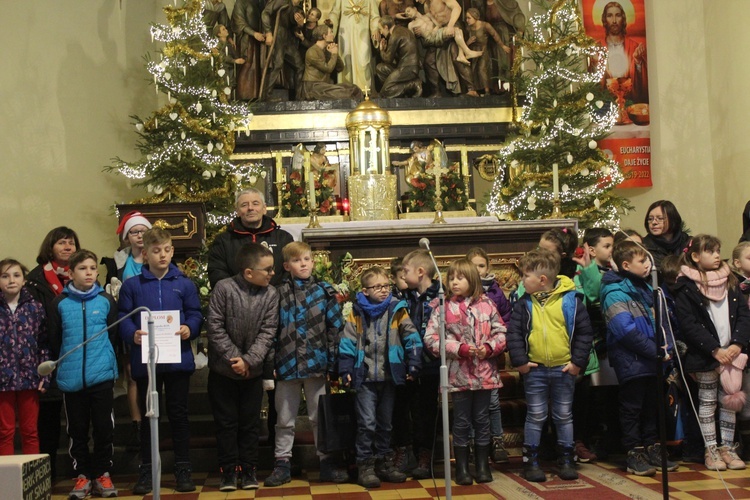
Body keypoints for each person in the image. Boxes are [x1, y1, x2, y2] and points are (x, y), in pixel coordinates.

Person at [118, 228, 204, 494]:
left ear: (172, 251)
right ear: (145, 254)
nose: (163, 255)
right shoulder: (133, 285)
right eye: (156, 251)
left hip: (177, 359)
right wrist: (132, 333)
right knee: (148, 416)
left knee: (178, 414)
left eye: (167, 250)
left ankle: (182, 468)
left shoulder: (183, 282)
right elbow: (124, 316)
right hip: (147, 362)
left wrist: (190, 328)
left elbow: (195, 313)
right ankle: (147, 469)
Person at [263, 242, 349, 486]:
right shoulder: (277, 293)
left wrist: (333, 362)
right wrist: (270, 363)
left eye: (307, 259)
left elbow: (335, 328)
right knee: (284, 418)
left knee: (319, 416)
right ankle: (282, 464)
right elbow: (271, 330)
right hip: (286, 364)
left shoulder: (324, 292)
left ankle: (326, 462)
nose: (303, 264)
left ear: (313, 262)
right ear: (287, 266)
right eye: (298, 260)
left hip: (316, 364)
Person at [506, 249, 593, 482]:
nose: (522, 280)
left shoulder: (571, 301)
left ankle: (566, 458)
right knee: (535, 415)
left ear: (542, 280)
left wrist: (577, 363)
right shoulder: (524, 304)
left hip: (564, 369)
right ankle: (531, 460)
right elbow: (513, 334)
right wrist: (521, 363)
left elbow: (584, 333)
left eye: (526, 276)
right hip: (535, 370)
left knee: (564, 415)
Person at [423, 258, 506, 485]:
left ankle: (481, 465)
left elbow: (501, 332)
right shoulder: (442, 306)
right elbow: (431, 339)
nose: (454, 282)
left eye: (460, 278)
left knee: (482, 419)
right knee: (461, 421)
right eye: (451, 278)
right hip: (458, 373)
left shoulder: (487, 305)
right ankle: (461, 467)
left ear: (472, 281)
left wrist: (488, 348)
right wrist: (459, 348)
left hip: (484, 373)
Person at [339, 266, 422, 488]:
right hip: (365, 378)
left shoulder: (397, 309)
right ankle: (365, 465)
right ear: (365, 291)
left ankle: (385, 462)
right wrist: (345, 369)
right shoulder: (356, 312)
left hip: (389, 377)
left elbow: (412, 337)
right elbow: (346, 343)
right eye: (378, 287)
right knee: (367, 423)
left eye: (386, 286)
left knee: (386, 423)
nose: (384, 290)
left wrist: (413, 363)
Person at [600, 241, 678, 476]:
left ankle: (653, 446)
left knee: (652, 406)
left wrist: (668, 347)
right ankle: (634, 451)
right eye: (642, 261)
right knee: (632, 407)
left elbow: (664, 322)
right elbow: (624, 330)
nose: (648, 264)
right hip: (632, 358)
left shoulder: (649, 287)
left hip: (654, 359)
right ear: (626, 265)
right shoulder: (614, 292)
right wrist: (655, 350)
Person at [673, 234, 750, 471]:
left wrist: (736, 344)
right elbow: (689, 325)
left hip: (732, 353)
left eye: (718, 250)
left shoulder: (732, 281)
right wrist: (715, 350)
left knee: (729, 401)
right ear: (695, 256)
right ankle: (711, 449)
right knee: (707, 403)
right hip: (706, 356)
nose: (717, 255)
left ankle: (728, 447)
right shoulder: (685, 286)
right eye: (710, 251)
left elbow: (744, 316)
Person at [206, 243, 278, 491]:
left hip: (252, 371)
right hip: (223, 372)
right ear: (248, 272)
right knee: (226, 423)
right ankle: (228, 471)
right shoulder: (224, 288)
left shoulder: (271, 295)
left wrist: (249, 360)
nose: (272, 274)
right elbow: (214, 327)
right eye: (267, 269)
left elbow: (269, 332)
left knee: (249, 423)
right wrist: (236, 359)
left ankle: (249, 469)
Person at [49, 249, 119, 499]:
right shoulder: (60, 304)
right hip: (71, 377)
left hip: (101, 376)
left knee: (103, 428)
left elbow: (113, 337)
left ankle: (102, 473)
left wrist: (105, 364)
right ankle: (82, 476)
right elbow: (55, 340)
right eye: (83, 268)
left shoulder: (106, 301)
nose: (89, 272)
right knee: (77, 430)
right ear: (70, 273)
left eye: (92, 268)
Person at [25, 226, 80, 481]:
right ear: (51, 247)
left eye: (71, 243)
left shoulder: (84, 274)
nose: (68, 247)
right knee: (47, 422)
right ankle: (47, 474)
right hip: (49, 357)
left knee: (79, 421)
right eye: (62, 243)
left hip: (77, 356)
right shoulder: (37, 280)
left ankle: (82, 472)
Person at [102, 210, 152, 452]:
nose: (139, 235)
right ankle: (137, 424)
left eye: (143, 231)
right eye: (134, 231)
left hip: (155, 323)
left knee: (155, 375)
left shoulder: (157, 256)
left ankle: (154, 421)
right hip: (130, 324)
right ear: (127, 236)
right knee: (133, 375)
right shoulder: (118, 263)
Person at [571, 227, 614, 462]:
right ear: (590, 248)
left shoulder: (612, 269)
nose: (611, 250)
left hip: (605, 338)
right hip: (589, 338)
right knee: (585, 395)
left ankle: (600, 436)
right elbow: (593, 297)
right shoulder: (581, 271)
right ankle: (579, 439)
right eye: (606, 246)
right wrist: (588, 270)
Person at [398, 249, 441, 478]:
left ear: (421, 272)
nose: (403, 275)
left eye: (406, 271)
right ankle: (409, 453)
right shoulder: (407, 297)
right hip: (409, 365)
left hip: (431, 365)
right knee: (408, 409)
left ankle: (426, 455)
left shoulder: (439, 296)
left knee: (427, 411)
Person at [465, 247, 510, 463]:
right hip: (467, 359)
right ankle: (474, 441)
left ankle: (497, 440)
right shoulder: (460, 294)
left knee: (492, 403)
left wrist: (496, 345)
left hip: (490, 356)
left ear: (488, 268)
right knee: (472, 404)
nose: (477, 270)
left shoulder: (495, 293)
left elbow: (506, 320)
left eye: (481, 266)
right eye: (473, 266)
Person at [0, 259, 48, 456]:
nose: (11, 280)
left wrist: (45, 375)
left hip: (30, 379)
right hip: (2, 381)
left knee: (30, 432)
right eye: (5, 276)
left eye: (16, 275)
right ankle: (5, 482)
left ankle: (32, 482)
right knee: (5, 433)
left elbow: (43, 343)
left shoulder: (35, 308)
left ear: (24, 279)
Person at [208, 188, 294, 289]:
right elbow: (217, 273)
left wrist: (274, 293)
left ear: (264, 208)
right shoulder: (223, 240)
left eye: (255, 203)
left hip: (277, 298)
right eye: (244, 205)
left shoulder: (283, 238)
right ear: (237, 211)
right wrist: (238, 294)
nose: (250, 208)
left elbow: (291, 270)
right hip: (236, 300)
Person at [596, 2, 648, 104]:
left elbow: (643, 85)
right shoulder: (597, 47)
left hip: (630, 103)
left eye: (618, 15)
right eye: (610, 16)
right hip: (606, 105)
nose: (614, 21)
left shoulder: (634, 47)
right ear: (605, 19)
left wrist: (637, 61)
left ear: (623, 18)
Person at [298, 25, 363, 101]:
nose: (333, 34)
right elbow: (328, 69)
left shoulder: (326, 50)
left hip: (324, 86)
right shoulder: (312, 52)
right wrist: (334, 54)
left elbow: (340, 68)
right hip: (313, 87)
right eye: (331, 32)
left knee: (353, 88)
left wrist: (334, 52)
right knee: (346, 93)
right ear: (324, 36)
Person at [328, 0, 379, 91]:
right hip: (345, 33)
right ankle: (346, 89)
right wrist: (331, 22)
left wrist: (375, 29)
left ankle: (364, 89)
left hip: (363, 34)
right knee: (345, 60)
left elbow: (375, 16)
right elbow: (335, 13)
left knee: (364, 60)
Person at [401, 8, 481, 65]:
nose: (407, 13)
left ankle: (461, 54)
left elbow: (438, 24)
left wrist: (435, 29)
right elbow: (412, 41)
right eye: (406, 13)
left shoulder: (428, 15)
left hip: (436, 34)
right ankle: (466, 52)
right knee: (455, 30)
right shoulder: (411, 24)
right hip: (428, 39)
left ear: (415, 8)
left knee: (457, 30)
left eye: (408, 10)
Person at [261, 0, 306, 100]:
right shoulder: (281, 1)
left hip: (288, 39)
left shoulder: (297, 8)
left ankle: (299, 97)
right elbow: (265, 13)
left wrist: (299, 24)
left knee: (299, 66)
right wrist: (268, 32)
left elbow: (294, 27)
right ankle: (266, 96)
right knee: (278, 64)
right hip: (278, 35)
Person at [375, 16, 423, 98]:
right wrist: (387, 49)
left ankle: (413, 84)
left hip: (408, 68)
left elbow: (388, 59)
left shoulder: (395, 35)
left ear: (386, 27)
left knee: (386, 90)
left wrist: (382, 50)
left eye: (380, 29)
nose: (381, 32)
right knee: (380, 68)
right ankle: (403, 90)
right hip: (405, 66)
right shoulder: (401, 30)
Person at [465, 8, 509, 95]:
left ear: (475, 17)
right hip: (473, 51)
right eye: (466, 18)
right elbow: (464, 43)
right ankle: (476, 90)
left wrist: (502, 45)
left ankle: (487, 90)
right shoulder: (468, 28)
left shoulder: (485, 25)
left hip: (483, 50)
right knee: (473, 70)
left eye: (469, 18)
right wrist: (468, 42)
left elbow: (494, 35)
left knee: (482, 69)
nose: (467, 20)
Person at [642, 200, 690, 271]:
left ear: (673, 220)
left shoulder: (688, 242)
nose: (654, 222)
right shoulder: (643, 246)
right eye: (650, 219)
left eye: (660, 218)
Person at [232, 0, 265, 100]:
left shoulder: (256, 3)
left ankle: (254, 95)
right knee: (247, 65)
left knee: (255, 68)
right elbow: (239, 22)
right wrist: (253, 33)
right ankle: (243, 96)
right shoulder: (240, 3)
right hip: (246, 39)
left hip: (256, 39)